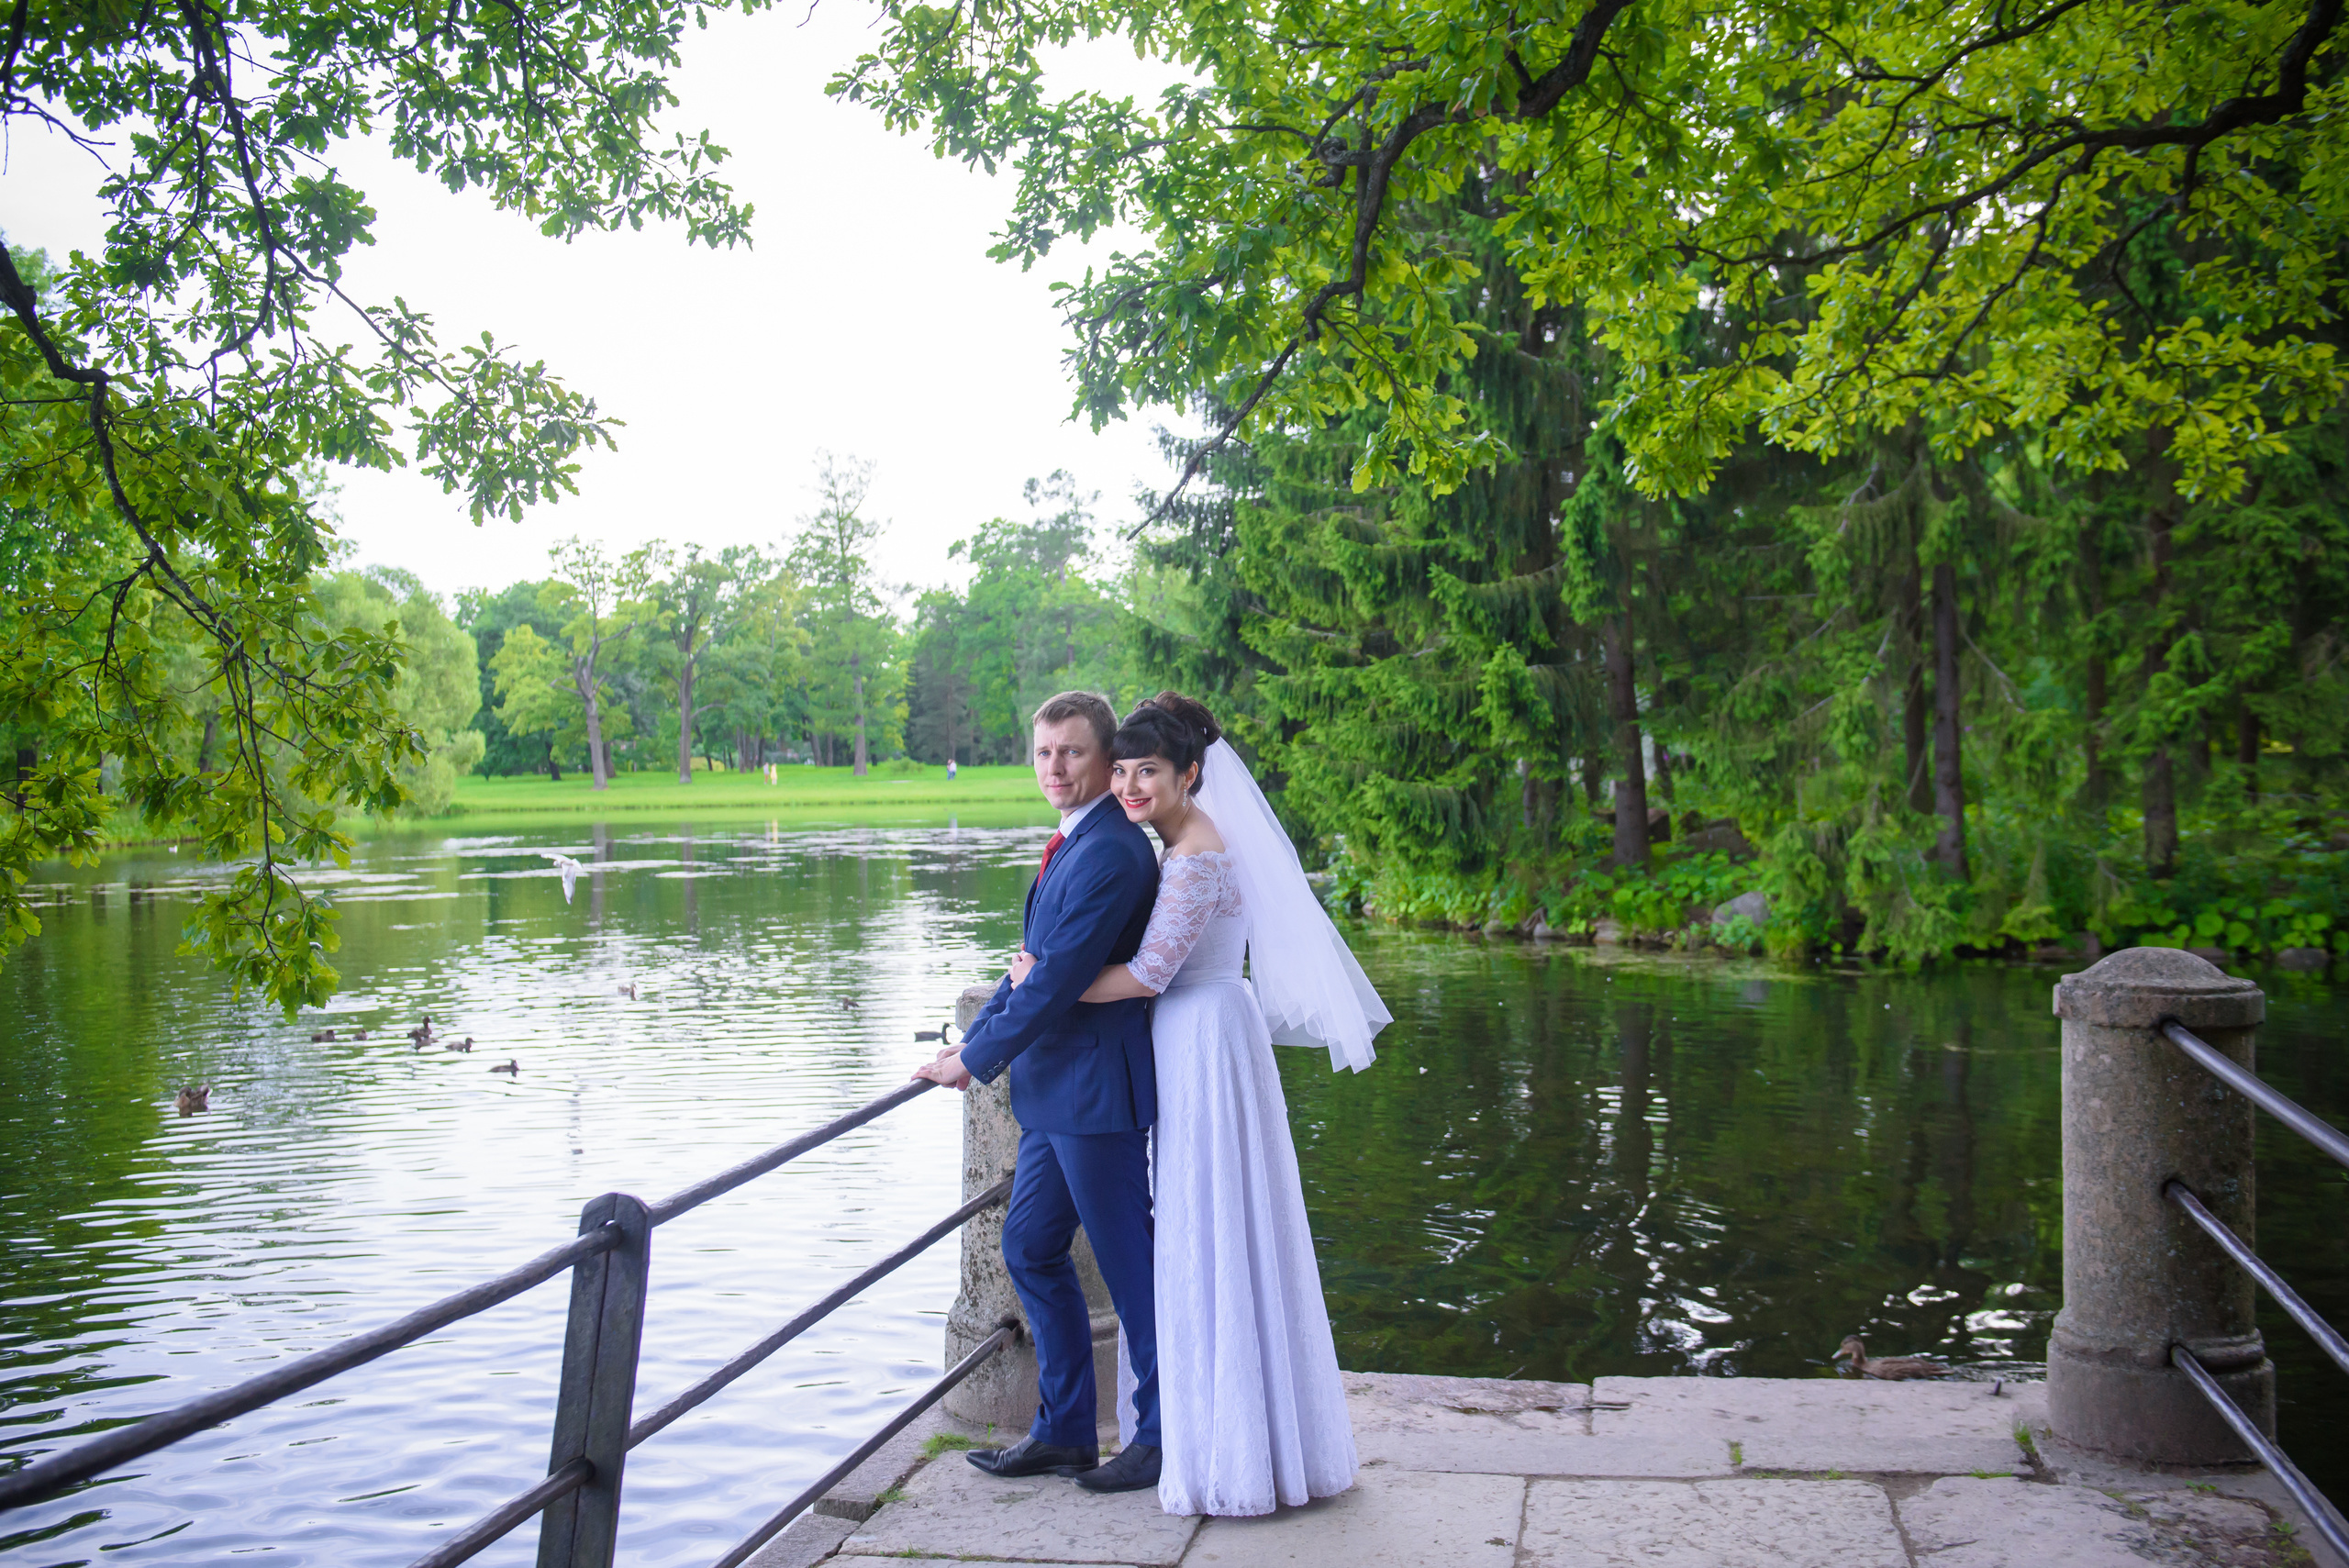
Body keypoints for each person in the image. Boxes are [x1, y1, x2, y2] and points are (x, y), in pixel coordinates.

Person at [1007, 692, 1389, 1517]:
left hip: (1204, 1040)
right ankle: (1189, 1420)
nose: (1132, 784)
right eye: (1127, 770)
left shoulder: (1197, 855)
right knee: (1197, 1232)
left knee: (1204, 1232)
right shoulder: (1171, 842)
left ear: (1190, 774)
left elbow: (1147, 975)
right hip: (1188, 1037)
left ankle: (1183, 1435)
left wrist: (1040, 980)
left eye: (1149, 771)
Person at [912, 692, 1167, 1493]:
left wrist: (974, 1059)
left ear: (1104, 758)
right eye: (1044, 753)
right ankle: (1063, 1431)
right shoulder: (1075, 841)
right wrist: (976, 1033)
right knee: (1028, 1245)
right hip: (1059, 1094)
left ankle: (1162, 1436)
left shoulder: (1115, 853)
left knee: (1135, 1277)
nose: (1055, 768)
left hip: (1097, 1097)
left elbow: (1055, 979)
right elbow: (1027, 958)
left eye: (1072, 753)